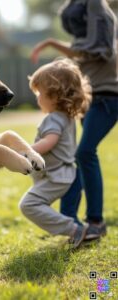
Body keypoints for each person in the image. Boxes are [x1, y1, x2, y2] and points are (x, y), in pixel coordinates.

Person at [30, 0, 118, 240]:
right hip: (90, 102)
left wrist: (51, 43)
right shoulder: (87, 40)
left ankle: (96, 221)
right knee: (76, 158)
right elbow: (79, 49)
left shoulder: (102, 37)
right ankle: (70, 220)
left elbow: (92, 49)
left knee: (85, 153)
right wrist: (50, 43)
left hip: (108, 100)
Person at [19, 59, 92, 248]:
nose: (37, 97)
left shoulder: (53, 119)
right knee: (65, 210)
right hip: (68, 174)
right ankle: (77, 229)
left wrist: (25, 151)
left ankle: (74, 229)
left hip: (57, 177)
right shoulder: (67, 117)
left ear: (55, 95)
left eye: (39, 93)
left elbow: (49, 142)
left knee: (29, 205)